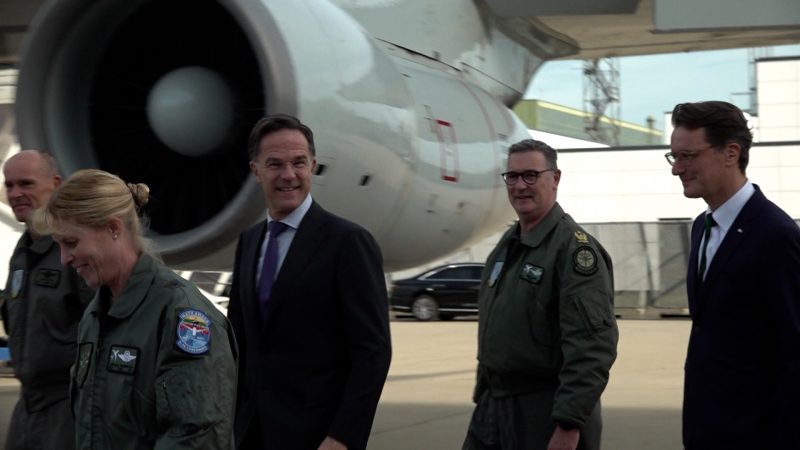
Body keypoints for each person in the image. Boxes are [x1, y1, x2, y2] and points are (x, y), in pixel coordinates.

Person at [33, 168, 238, 449]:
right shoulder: (95, 316)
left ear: (113, 228)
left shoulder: (181, 316)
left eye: (71, 242)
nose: (64, 259)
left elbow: (196, 436)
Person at [227, 113, 392, 450]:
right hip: (250, 433)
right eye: (275, 164)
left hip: (318, 437)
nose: (289, 175)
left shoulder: (347, 243)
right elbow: (239, 343)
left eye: (299, 163)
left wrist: (343, 436)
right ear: (256, 171)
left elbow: (372, 353)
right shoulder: (248, 242)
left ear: (313, 166)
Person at [462, 139, 618, 450]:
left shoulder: (574, 250)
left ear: (555, 178)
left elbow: (591, 346)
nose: (520, 186)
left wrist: (569, 424)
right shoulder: (508, 244)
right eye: (512, 176)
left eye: (531, 175)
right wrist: (484, 395)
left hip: (545, 411)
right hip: (495, 407)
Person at [667, 101, 800, 449]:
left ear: (731, 153)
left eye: (688, 156)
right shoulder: (702, 228)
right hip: (706, 428)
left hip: (754, 433)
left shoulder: (775, 235)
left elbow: (794, 353)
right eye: (674, 157)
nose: (677, 169)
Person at [1, 150, 94, 450]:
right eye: (9, 185)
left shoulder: (78, 248)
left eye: (26, 184)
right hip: (28, 402)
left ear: (56, 184)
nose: (15, 194)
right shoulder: (24, 248)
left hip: (68, 404)